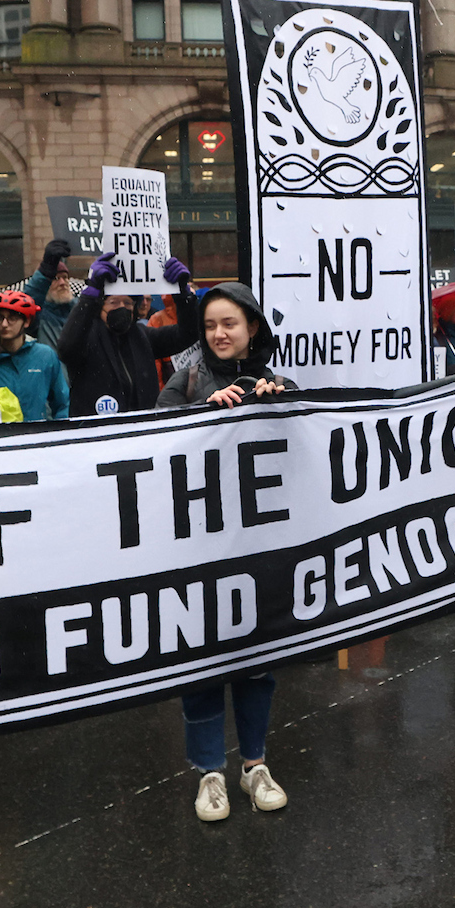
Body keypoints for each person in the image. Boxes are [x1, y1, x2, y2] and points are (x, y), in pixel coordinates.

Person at [147, 283, 299, 819]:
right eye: (210, 325)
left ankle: (254, 765)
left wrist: (283, 406)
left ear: (251, 326)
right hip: (198, 555)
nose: (219, 334)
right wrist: (199, 417)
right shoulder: (183, 383)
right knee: (203, 664)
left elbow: (306, 452)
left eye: (230, 323)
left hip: (261, 555)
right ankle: (209, 773)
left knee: (257, 663)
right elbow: (150, 447)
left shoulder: (279, 384)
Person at [57, 251, 198, 415]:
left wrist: (183, 294)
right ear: (100, 306)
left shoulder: (143, 336)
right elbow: (66, 348)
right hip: (97, 435)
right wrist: (89, 297)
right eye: (113, 302)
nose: (121, 307)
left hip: (142, 433)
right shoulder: (86, 336)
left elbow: (188, 334)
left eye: (128, 302)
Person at [0, 289, 69, 421]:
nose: (4, 324)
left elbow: (62, 404)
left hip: (37, 437)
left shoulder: (45, 356)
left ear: (26, 322)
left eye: (12, 318)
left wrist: (58, 434)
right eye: (0, 317)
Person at [22, 239, 82, 350]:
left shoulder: (80, 309)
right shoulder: (41, 316)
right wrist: (46, 268)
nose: (62, 283)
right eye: (56, 278)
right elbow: (26, 303)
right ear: (45, 284)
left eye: (65, 277)